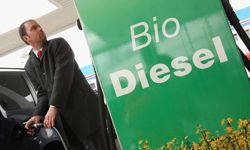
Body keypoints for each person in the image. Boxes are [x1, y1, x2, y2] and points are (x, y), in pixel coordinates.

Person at [18, 19, 105, 150]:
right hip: (66, 128)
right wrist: (37, 115)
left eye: (39, 26)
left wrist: (54, 106)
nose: (40, 29)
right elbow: (42, 93)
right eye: (34, 28)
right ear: (27, 38)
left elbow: (62, 76)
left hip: (86, 117)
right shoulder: (29, 67)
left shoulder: (58, 45)